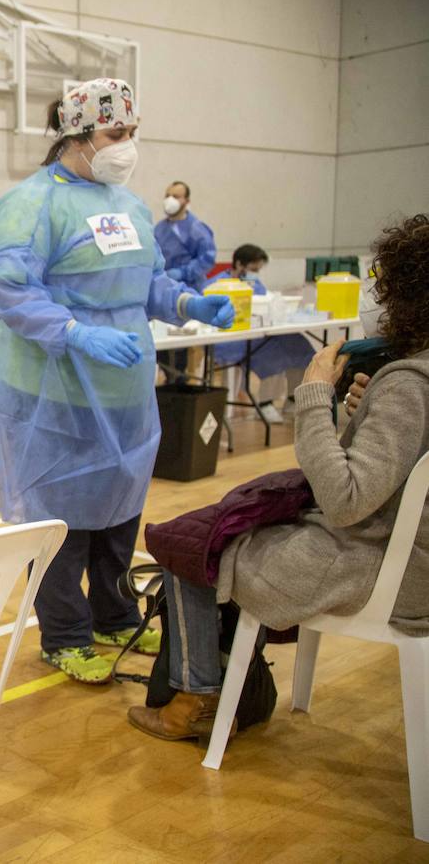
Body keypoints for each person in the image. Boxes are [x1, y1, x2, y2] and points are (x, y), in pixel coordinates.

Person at [0, 78, 234, 685]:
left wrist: (188, 304)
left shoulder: (130, 207)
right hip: (55, 391)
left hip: (123, 391)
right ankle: (65, 635)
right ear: (79, 134)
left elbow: (149, 282)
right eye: (117, 132)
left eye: (132, 132)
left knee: (120, 509)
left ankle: (115, 615)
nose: (127, 145)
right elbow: (13, 290)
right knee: (61, 522)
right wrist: (75, 332)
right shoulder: (31, 203)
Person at [130, 214, 429, 740]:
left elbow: (344, 501)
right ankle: (229, 687)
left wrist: (314, 393)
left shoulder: (409, 384)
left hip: (383, 569)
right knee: (231, 527)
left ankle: (195, 697)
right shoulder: (410, 381)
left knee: (189, 544)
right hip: (401, 557)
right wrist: (365, 412)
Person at [207, 244, 314, 425]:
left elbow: (266, 302)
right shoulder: (217, 284)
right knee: (272, 351)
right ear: (239, 264)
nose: (255, 274)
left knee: (297, 343)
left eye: (258, 270)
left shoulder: (254, 284)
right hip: (229, 339)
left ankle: (293, 398)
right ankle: (265, 403)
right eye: (253, 269)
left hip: (255, 334)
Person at [154, 180, 217, 293]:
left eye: (175, 196)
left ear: (187, 201)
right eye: (167, 196)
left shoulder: (196, 229)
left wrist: (183, 273)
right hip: (166, 290)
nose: (170, 200)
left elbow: (207, 259)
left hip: (191, 290)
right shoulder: (159, 229)